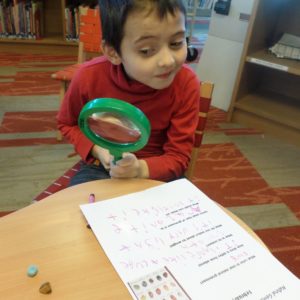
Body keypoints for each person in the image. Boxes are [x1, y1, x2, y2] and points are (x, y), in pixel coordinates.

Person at [57, 0, 200, 186]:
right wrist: (98, 149)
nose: (167, 61)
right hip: (101, 166)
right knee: (79, 208)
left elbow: (178, 156)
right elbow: (67, 123)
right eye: (147, 50)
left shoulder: (186, 83)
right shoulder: (88, 77)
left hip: (158, 169)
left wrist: (140, 169)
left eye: (176, 43)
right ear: (113, 52)